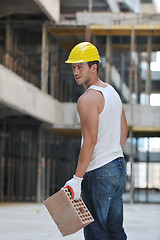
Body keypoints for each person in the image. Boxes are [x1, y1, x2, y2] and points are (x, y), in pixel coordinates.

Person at [63, 42, 128, 240]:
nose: (75, 71)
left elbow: (89, 142)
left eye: (80, 66)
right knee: (115, 230)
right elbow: (123, 129)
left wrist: (77, 179)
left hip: (99, 171)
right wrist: (113, 155)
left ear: (94, 67)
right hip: (117, 166)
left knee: (96, 232)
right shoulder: (112, 93)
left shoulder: (87, 99)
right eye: (73, 67)